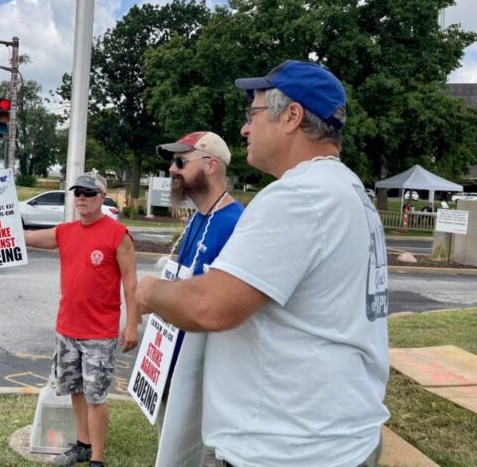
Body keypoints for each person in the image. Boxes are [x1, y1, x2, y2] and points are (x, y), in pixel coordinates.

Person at [137, 60, 389, 467]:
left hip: (291, 449)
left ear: (292, 116)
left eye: (251, 114)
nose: (244, 129)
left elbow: (211, 306)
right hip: (334, 436)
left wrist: (146, 292)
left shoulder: (299, 196)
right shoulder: (348, 190)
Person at [0, 173, 139, 467]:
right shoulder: (65, 232)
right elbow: (23, 237)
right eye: (78, 193)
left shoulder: (118, 234)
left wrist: (133, 323)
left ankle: (97, 458)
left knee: (96, 396)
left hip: (100, 331)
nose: (82, 197)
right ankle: (83, 444)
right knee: (75, 389)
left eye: (88, 192)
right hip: (67, 328)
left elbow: (131, 283)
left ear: (101, 197)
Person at [153, 131, 244, 464]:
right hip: (175, 369)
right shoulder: (197, 219)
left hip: (207, 385)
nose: (171, 170)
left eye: (180, 162)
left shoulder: (236, 224)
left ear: (210, 165)